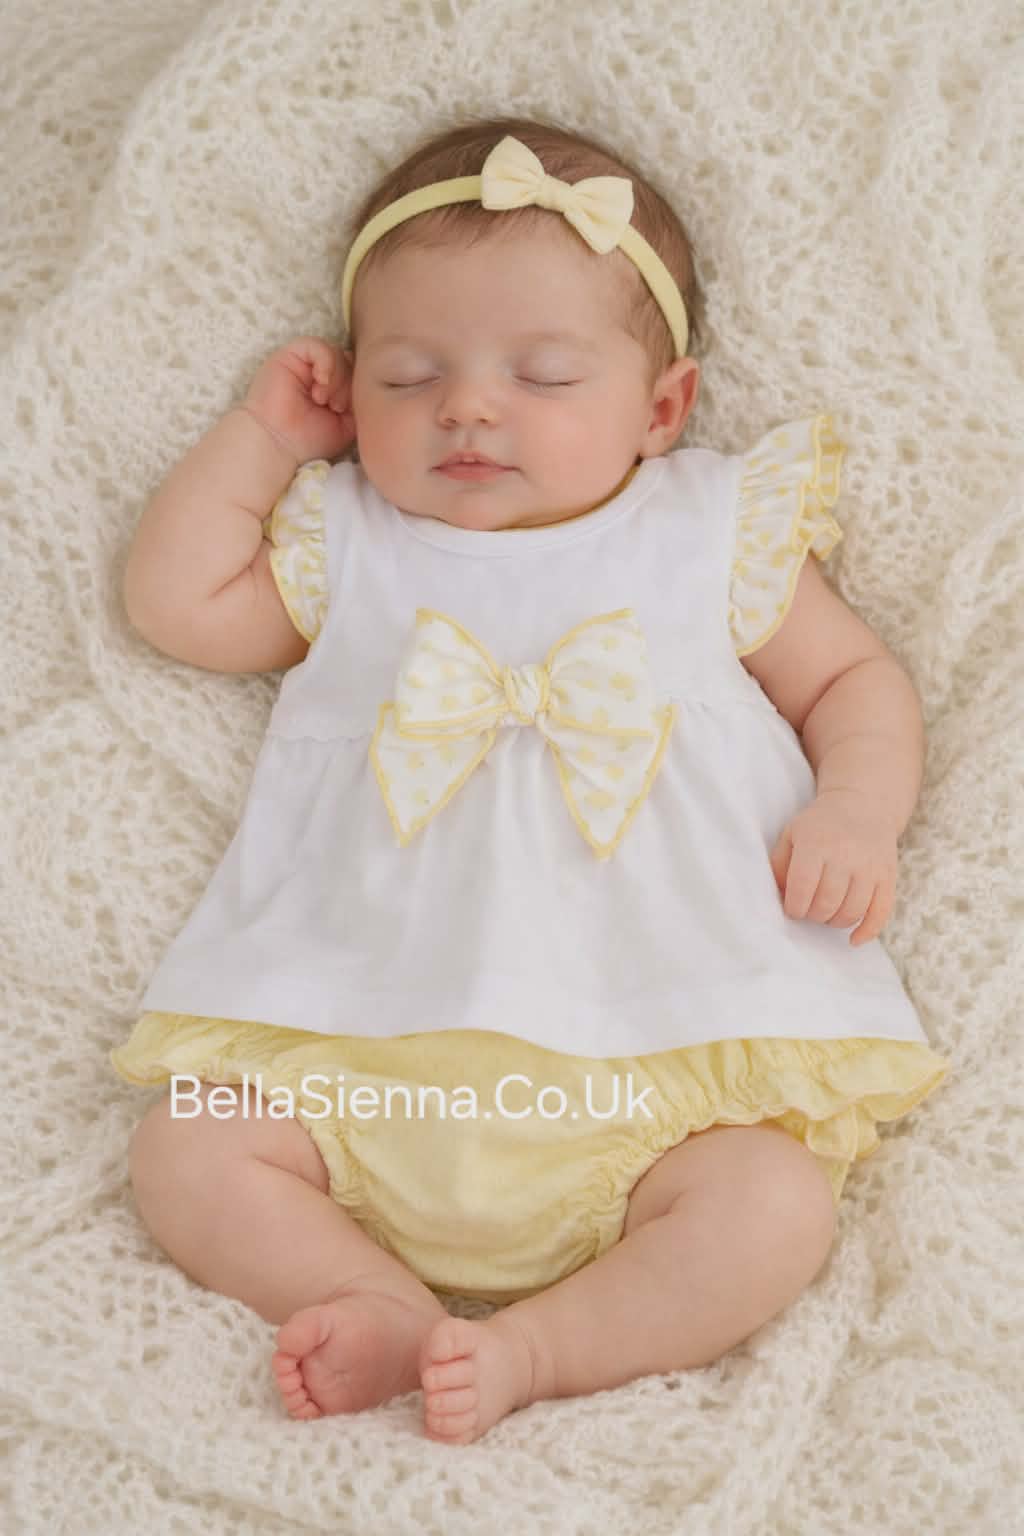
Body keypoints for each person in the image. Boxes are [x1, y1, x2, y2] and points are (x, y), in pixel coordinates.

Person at [111, 115, 951, 1445]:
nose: (468, 407)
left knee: (771, 1203)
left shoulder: (708, 534)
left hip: (657, 1059)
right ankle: (374, 1300)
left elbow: (853, 681)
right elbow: (177, 605)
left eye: (545, 374)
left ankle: (538, 1350)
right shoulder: (351, 540)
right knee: (189, 1146)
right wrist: (263, 436)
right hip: (357, 1046)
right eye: (408, 376)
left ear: (661, 408)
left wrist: (857, 806)